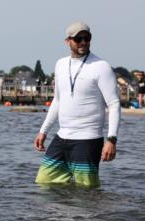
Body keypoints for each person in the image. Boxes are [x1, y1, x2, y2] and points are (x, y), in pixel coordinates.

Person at [34, 22, 120, 188]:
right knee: (44, 184)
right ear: (67, 41)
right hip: (62, 137)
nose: (83, 42)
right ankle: (60, 215)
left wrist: (111, 140)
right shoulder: (60, 64)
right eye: (78, 38)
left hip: (88, 140)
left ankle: (92, 215)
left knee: (87, 193)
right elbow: (57, 101)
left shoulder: (101, 67)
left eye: (86, 38)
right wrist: (43, 131)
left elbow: (114, 104)